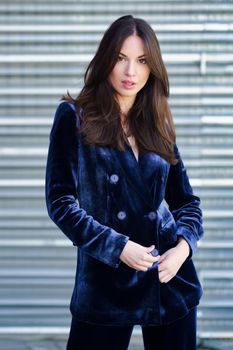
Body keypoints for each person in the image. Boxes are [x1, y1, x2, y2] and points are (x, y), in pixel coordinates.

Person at [45, 15, 203, 350]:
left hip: (167, 278)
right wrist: (118, 248)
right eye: (121, 58)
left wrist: (182, 249)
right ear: (106, 59)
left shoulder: (157, 122)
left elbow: (187, 202)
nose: (131, 71)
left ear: (152, 67)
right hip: (105, 282)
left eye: (142, 60)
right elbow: (60, 203)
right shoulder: (74, 117)